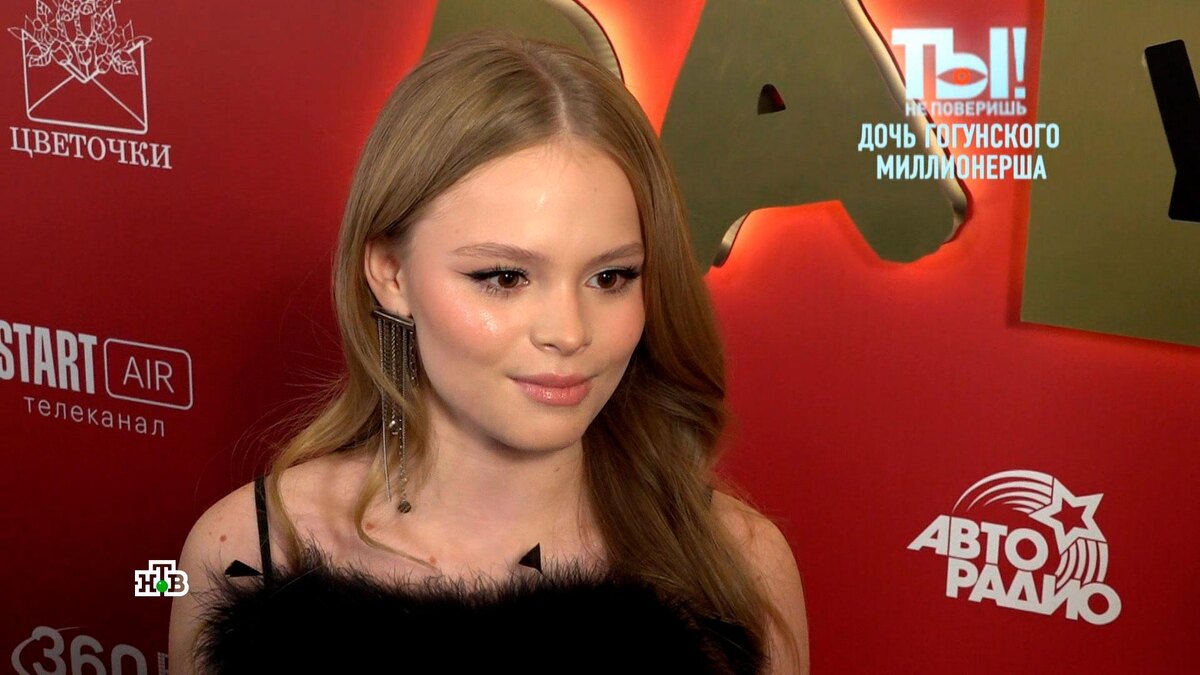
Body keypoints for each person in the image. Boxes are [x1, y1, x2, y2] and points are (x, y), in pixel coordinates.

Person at [167, 28, 809, 674]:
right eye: (504, 277)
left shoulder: (739, 566)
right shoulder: (243, 553)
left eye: (610, 277)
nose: (569, 332)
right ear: (391, 274)